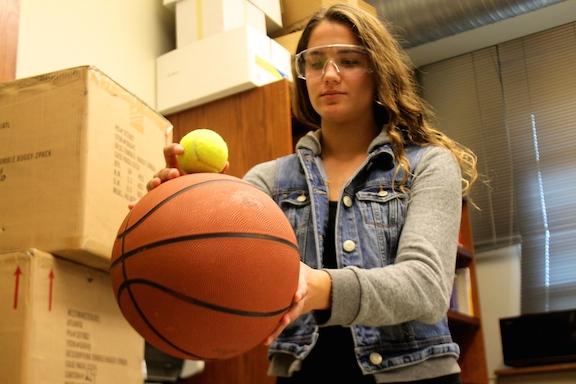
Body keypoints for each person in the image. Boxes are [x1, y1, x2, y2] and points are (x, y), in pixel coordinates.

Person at [147, 4, 477, 383]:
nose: (329, 75)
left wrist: (321, 287)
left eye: (349, 60)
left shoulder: (428, 165)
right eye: (315, 62)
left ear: (378, 70)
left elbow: (426, 286)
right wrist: (182, 206)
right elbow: (221, 265)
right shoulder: (269, 180)